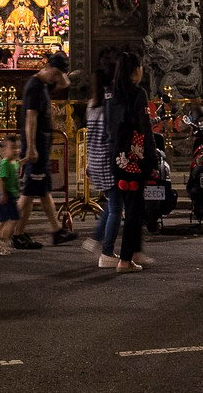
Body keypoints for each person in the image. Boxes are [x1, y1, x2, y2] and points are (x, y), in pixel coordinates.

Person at [14, 52, 74, 248]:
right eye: (55, 73)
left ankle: (53, 231)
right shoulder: (34, 86)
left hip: (42, 144)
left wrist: (59, 74)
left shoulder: (46, 84)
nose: (58, 78)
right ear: (48, 68)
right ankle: (8, 233)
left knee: (40, 191)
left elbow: (66, 84)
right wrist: (31, 148)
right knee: (30, 193)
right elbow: (31, 118)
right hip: (36, 147)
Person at [106, 49, 155, 273]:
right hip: (135, 157)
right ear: (135, 71)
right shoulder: (138, 94)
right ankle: (125, 260)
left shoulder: (112, 96)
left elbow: (109, 129)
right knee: (134, 211)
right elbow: (145, 127)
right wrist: (152, 157)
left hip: (118, 157)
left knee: (130, 206)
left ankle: (134, 252)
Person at [83, 51, 119, 258]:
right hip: (107, 159)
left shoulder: (92, 103)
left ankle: (96, 239)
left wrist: (88, 161)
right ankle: (105, 250)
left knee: (112, 202)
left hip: (96, 159)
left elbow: (91, 136)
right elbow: (108, 135)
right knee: (115, 206)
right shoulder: (109, 104)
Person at [0, 135, 24, 256]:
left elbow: (17, 165)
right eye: (13, 148)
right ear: (5, 150)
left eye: (17, 148)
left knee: (2, 220)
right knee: (14, 219)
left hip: (8, 195)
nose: (16, 150)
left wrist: (25, 160)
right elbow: (0, 179)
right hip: (7, 195)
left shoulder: (12, 162)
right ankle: (2, 243)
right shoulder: (5, 163)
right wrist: (2, 194)